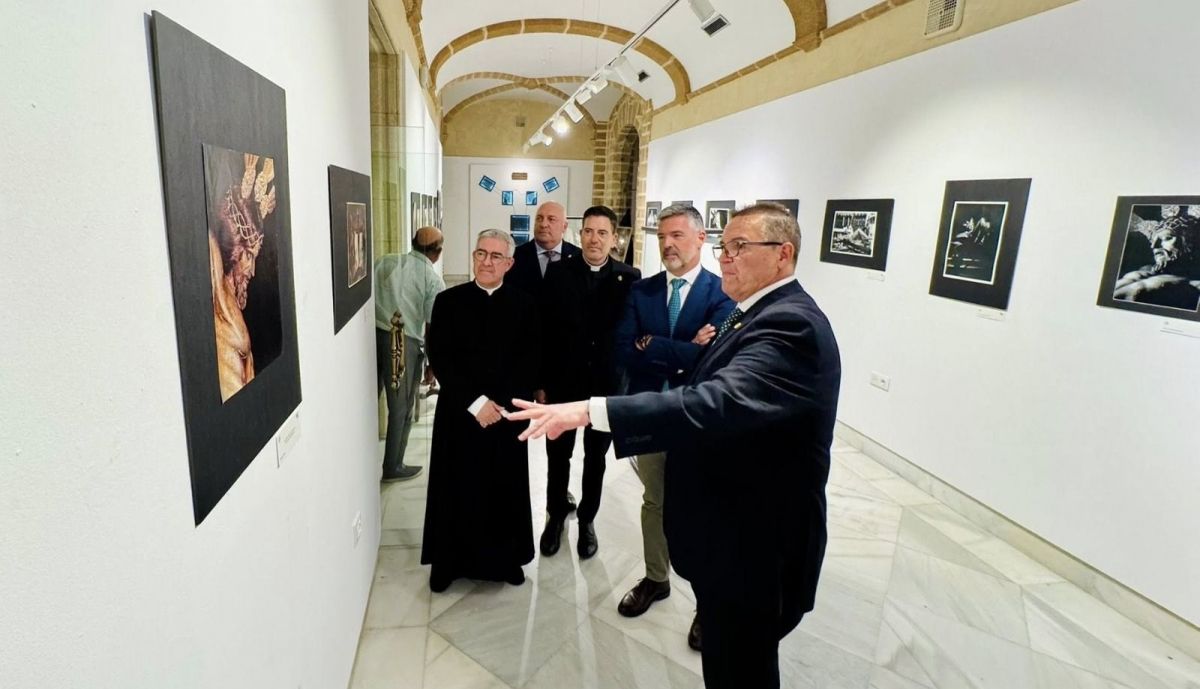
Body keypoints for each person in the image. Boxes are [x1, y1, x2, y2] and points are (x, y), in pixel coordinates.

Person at [507, 202, 842, 689]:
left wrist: (588, 410)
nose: (725, 257)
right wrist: (679, 351)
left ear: (783, 254)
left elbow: (713, 400)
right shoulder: (753, 312)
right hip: (733, 537)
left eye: (739, 247)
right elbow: (676, 359)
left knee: (742, 669)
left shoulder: (790, 326)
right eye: (725, 246)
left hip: (759, 547)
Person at [610, 204, 734, 644]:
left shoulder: (723, 295)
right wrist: (683, 346)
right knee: (654, 501)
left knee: (701, 509)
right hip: (651, 416)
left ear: (701, 239)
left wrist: (655, 345)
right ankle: (656, 578)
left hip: (700, 420)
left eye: (678, 235)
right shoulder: (641, 292)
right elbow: (625, 349)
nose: (668, 244)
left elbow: (713, 356)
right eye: (663, 236)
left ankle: (707, 602)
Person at [421, 229, 541, 592]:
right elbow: (440, 357)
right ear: (473, 257)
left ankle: (504, 560)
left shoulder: (525, 305)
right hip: (459, 413)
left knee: (502, 489)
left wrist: (500, 405)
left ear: (509, 263)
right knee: (454, 487)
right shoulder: (448, 301)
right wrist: (476, 403)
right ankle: (448, 562)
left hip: (503, 417)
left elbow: (530, 361)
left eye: (495, 256)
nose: (486, 262)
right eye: (480, 254)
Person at [538, 205, 640, 559]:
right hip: (564, 384)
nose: (594, 239)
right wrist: (542, 384)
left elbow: (635, 331)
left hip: (605, 387)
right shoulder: (558, 272)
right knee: (558, 455)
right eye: (588, 232)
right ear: (578, 234)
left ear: (614, 238)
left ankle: (587, 520)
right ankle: (554, 517)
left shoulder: (630, 277)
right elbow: (544, 332)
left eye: (602, 233)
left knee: (595, 457)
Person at [373, 227, 446, 482]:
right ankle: (393, 466)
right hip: (402, 342)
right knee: (401, 408)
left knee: (370, 401)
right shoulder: (432, 279)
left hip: (374, 337)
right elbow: (431, 327)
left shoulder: (385, 262)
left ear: (413, 244)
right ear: (437, 253)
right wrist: (432, 365)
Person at [1113, 205, 1200, 310]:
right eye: (1153, 240)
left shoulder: (1195, 287)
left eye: (1166, 238)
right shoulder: (1143, 272)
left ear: (1189, 244)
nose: (1154, 246)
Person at [507, 201, 581, 296]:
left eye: (551, 219)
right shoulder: (514, 256)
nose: (543, 224)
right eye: (539, 218)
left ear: (565, 226)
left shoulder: (578, 256)